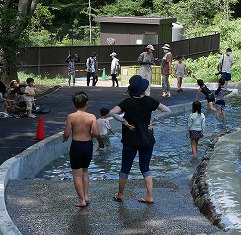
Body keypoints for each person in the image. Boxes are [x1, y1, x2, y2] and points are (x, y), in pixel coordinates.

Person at [110, 75, 171, 204]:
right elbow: (167, 110)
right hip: (147, 139)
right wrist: (153, 120)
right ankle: (149, 196)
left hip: (130, 139)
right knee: (145, 168)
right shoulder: (150, 101)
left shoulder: (126, 102)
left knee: (125, 167)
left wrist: (125, 122)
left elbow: (112, 113)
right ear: (143, 89)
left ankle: (120, 194)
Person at [62, 91, 100, 207]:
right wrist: (92, 136)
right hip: (88, 145)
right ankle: (86, 196)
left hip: (77, 146)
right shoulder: (92, 117)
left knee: (76, 174)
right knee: (85, 171)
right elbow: (97, 133)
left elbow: (67, 133)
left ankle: (81, 200)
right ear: (87, 103)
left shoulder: (71, 117)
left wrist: (64, 139)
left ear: (74, 104)